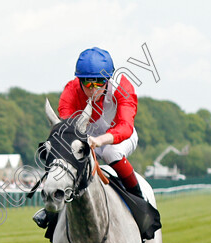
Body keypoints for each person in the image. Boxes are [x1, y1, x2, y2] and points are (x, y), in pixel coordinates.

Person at [33, 47, 142, 229]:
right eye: (87, 83)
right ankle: (51, 211)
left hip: (118, 138)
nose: (93, 89)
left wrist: (100, 140)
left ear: (107, 79)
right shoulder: (71, 90)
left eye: (98, 83)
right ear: (79, 80)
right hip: (85, 138)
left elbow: (126, 127)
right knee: (67, 158)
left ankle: (139, 202)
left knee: (111, 152)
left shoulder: (123, 87)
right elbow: (66, 128)